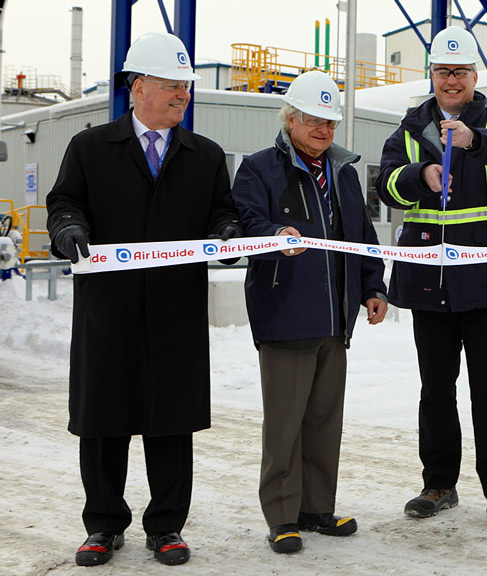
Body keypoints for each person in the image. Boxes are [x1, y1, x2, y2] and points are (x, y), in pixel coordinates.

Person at [45, 32, 241, 567]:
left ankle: (167, 526)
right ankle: (103, 525)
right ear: (137, 88)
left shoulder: (204, 157)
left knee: (171, 422)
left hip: (175, 311)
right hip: (108, 310)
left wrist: (226, 233)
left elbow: (222, 214)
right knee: (104, 420)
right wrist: (69, 230)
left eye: (186, 87)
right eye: (172, 87)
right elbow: (63, 202)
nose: (183, 96)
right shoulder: (90, 148)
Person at [374, 25, 487, 532]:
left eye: (461, 72)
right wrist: (419, 175)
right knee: (435, 390)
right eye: (443, 72)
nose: (451, 81)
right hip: (429, 280)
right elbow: (386, 187)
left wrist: (477, 142)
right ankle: (439, 484)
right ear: (432, 75)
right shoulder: (408, 130)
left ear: (474, 76)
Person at [230, 70, 388, 554]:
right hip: (286, 315)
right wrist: (274, 235)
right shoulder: (259, 169)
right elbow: (246, 222)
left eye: (331, 123)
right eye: (315, 121)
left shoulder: (343, 172)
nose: (324, 131)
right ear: (291, 119)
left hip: (335, 320)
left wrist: (372, 285)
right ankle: (282, 516)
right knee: (284, 424)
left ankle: (317, 508)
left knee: (323, 420)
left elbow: (361, 237)